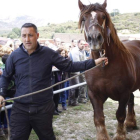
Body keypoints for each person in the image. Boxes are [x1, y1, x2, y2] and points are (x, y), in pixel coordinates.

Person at [0, 23, 108, 140]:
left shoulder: (48, 53)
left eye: (30, 35)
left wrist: (94, 62)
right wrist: (1, 94)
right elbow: (5, 76)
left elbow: (69, 66)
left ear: (37, 35)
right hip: (20, 108)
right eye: (24, 35)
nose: (27, 39)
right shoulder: (14, 56)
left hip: (43, 107)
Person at [68, 39, 88, 105]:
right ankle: (72, 101)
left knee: (83, 84)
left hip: (81, 70)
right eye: (81, 44)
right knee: (75, 86)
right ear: (78, 44)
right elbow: (77, 63)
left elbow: (84, 60)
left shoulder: (83, 51)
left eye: (83, 44)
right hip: (74, 71)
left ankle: (81, 98)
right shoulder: (74, 51)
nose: (83, 45)